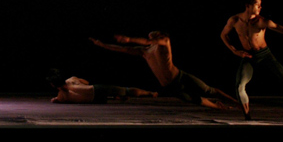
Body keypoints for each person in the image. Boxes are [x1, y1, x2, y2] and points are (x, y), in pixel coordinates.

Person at [91, 32, 237, 109]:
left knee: (208, 91)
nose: (150, 34)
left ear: (159, 35)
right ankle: (218, 107)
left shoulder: (164, 42)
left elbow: (148, 41)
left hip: (180, 77)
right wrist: (103, 45)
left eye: (153, 33)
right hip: (169, 86)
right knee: (195, 100)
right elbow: (123, 49)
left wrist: (130, 39)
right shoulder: (145, 51)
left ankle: (237, 103)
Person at [47, 72, 157, 104]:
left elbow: (57, 100)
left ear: (53, 85)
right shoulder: (72, 79)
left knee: (123, 92)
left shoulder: (62, 96)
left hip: (94, 99)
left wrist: (55, 100)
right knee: (126, 90)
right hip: (96, 90)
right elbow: (87, 82)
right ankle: (150, 93)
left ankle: (116, 96)